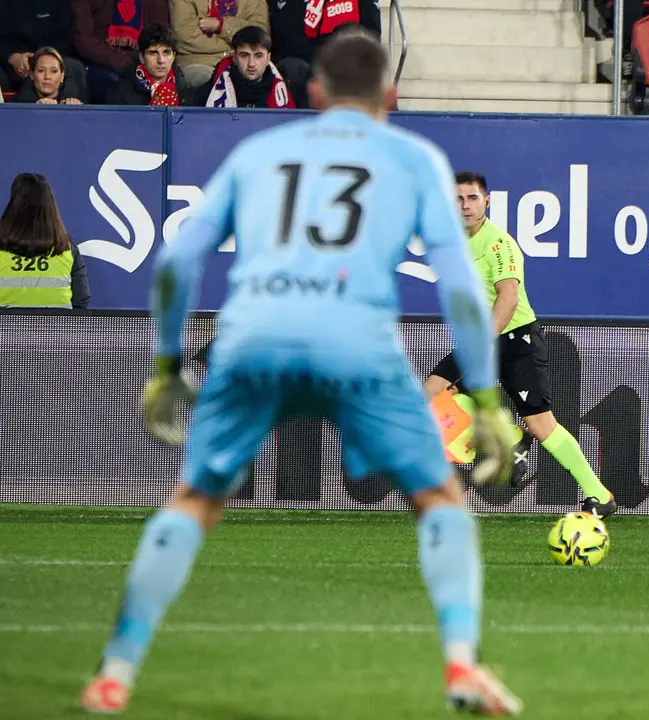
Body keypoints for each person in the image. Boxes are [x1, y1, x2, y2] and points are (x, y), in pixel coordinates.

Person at [79, 26, 522, 716]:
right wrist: (488, 399)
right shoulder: (412, 158)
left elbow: (176, 264)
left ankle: (114, 674)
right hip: (358, 343)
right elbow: (461, 289)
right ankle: (461, 665)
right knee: (439, 500)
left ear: (312, 93)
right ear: (392, 96)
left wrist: (168, 366)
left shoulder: (261, 151)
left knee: (195, 501)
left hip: (254, 339)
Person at [424, 171, 618, 518]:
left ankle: (599, 494)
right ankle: (510, 439)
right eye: (458, 199)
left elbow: (508, 299)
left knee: (543, 425)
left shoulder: (499, 243)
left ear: (487, 202)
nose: (465, 205)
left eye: (472, 198)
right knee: (432, 395)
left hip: (515, 339)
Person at [0, 172, 89, 309]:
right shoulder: (67, 247)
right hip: (57, 329)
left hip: (5, 329)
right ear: (50, 204)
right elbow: (81, 301)